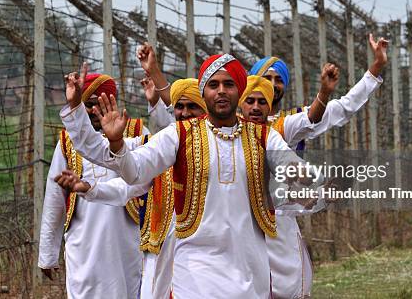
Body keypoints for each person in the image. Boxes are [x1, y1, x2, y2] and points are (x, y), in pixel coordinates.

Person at [59, 53, 306, 298]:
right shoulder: (178, 135)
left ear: (239, 90)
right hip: (196, 271)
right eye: (213, 85)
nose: (221, 91)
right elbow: (134, 173)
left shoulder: (264, 137)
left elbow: (297, 172)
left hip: (250, 269)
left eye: (228, 84)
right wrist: (114, 141)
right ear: (205, 91)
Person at [241, 33, 389, 298]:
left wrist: (374, 68)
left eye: (278, 80)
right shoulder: (228, 127)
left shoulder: (284, 125)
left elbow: (336, 110)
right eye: (267, 78)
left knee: (286, 289)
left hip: (279, 224)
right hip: (236, 223)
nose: (272, 85)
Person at [38, 72, 149, 298]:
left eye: (99, 104)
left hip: (127, 240)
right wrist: (48, 254)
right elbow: (54, 198)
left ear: (112, 103)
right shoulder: (68, 141)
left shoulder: (137, 133)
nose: (94, 111)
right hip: (84, 243)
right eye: (88, 105)